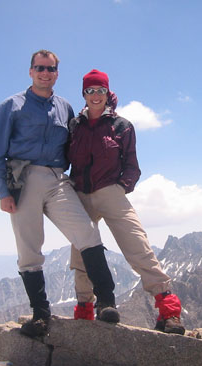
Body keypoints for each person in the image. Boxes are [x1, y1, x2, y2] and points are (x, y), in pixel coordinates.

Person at [0, 51, 119, 337]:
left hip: (58, 178)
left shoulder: (65, 107)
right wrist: (2, 192)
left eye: (51, 69)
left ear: (57, 73)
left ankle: (106, 302)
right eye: (40, 68)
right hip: (24, 179)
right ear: (31, 71)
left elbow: (78, 142)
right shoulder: (10, 107)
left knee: (87, 233)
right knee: (29, 250)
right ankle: (41, 315)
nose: (45, 73)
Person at [67, 69, 185, 335]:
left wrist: (121, 188)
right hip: (80, 195)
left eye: (100, 90)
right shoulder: (74, 126)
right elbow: (64, 158)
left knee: (137, 246)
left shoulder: (122, 126)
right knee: (82, 253)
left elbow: (132, 166)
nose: (95, 95)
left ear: (107, 93)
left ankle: (169, 311)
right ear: (83, 95)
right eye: (90, 90)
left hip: (110, 192)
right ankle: (85, 310)